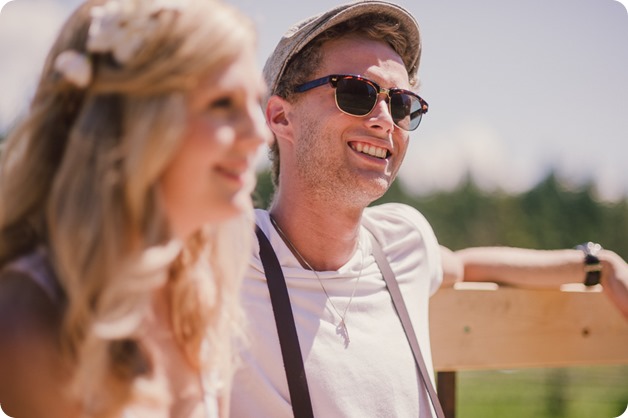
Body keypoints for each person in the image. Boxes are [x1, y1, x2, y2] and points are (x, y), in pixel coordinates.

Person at [229, 1, 628, 417]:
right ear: (280, 117)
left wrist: (600, 265)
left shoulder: (403, 242)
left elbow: (469, 266)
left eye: (401, 103)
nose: (385, 119)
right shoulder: (226, 252)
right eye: (356, 91)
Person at [0, 0, 269, 416]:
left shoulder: (198, 289)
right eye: (222, 103)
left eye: (256, 102)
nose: (259, 135)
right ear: (136, 121)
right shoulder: (29, 314)